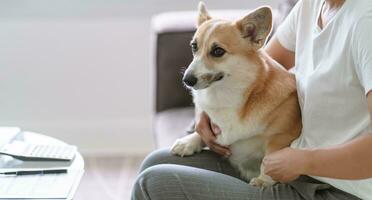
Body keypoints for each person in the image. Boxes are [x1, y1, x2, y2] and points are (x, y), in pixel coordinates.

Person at [131, 0, 372, 199]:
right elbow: (255, 66)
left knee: (153, 183)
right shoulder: (312, 5)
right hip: (294, 167)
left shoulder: (365, 22)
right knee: (155, 161)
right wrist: (206, 110)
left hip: (336, 189)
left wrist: (305, 162)